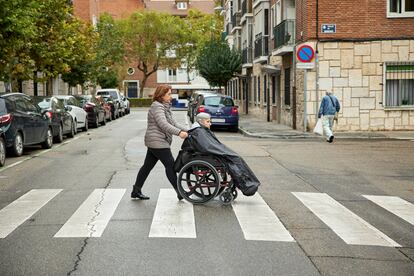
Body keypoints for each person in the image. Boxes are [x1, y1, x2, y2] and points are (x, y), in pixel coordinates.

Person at [131, 85, 188, 200]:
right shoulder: (157, 107)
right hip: (158, 141)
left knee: (147, 166)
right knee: (170, 166)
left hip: (156, 141)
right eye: (169, 94)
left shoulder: (164, 107)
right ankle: (179, 192)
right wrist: (179, 133)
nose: (171, 97)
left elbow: (173, 123)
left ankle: (136, 190)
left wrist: (188, 131)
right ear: (161, 95)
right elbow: (163, 124)